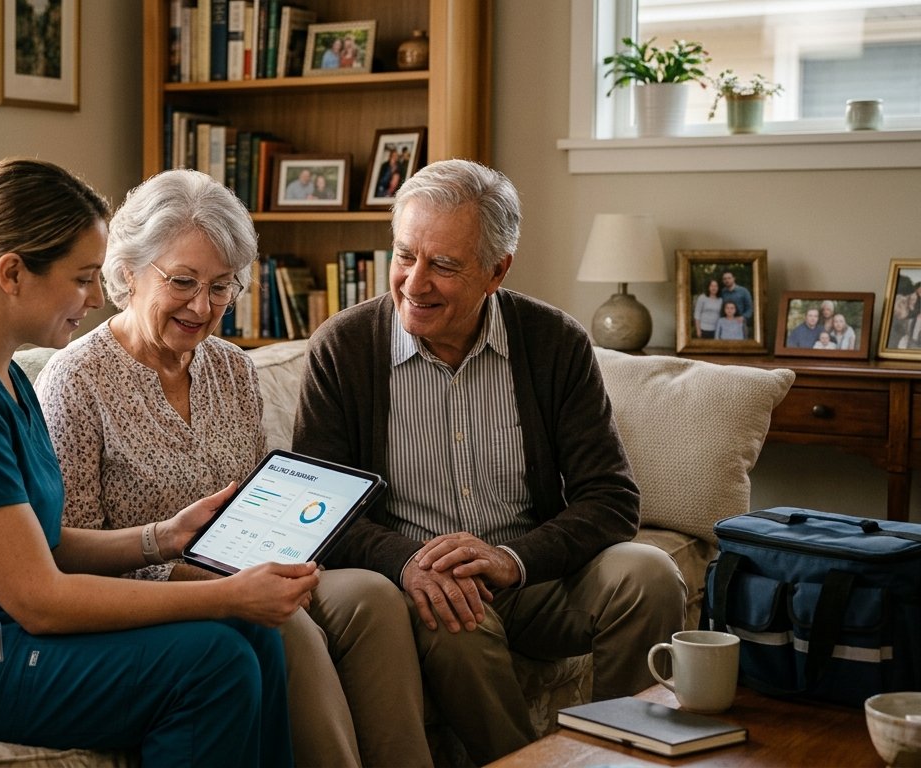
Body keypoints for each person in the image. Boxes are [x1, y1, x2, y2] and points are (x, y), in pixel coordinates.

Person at [0, 158, 317, 766]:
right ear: (12, 274)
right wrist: (226, 595)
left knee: (251, 638)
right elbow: (41, 600)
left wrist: (163, 538)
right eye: (81, 278)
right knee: (214, 662)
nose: (97, 296)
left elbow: (39, 543)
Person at [290, 158, 686, 765]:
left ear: (497, 271)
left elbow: (611, 499)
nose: (414, 283)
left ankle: (622, 754)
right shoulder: (344, 349)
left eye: (444, 265)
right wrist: (409, 564)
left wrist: (512, 560)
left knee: (649, 573)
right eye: (404, 255)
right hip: (433, 587)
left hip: (536, 573)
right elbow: (318, 513)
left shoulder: (554, 342)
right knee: (452, 625)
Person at [37, 168, 434, 767]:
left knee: (374, 597)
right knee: (288, 627)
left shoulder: (231, 368)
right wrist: (219, 583)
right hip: (150, 592)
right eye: (183, 281)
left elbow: (258, 499)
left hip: (253, 563)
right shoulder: (76, 380)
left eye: (222, 287)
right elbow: (71, 548)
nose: (203, 306)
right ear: (127, 273)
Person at [718, 271, 753, 337]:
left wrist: (743, 317)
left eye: (729, 278)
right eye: (724, 279)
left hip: (740, 323)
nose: (727, 280)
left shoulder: (744, 291)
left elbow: (750, 308)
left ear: (734, 278)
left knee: (742, 345)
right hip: (726, 324)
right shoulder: (722, 292)